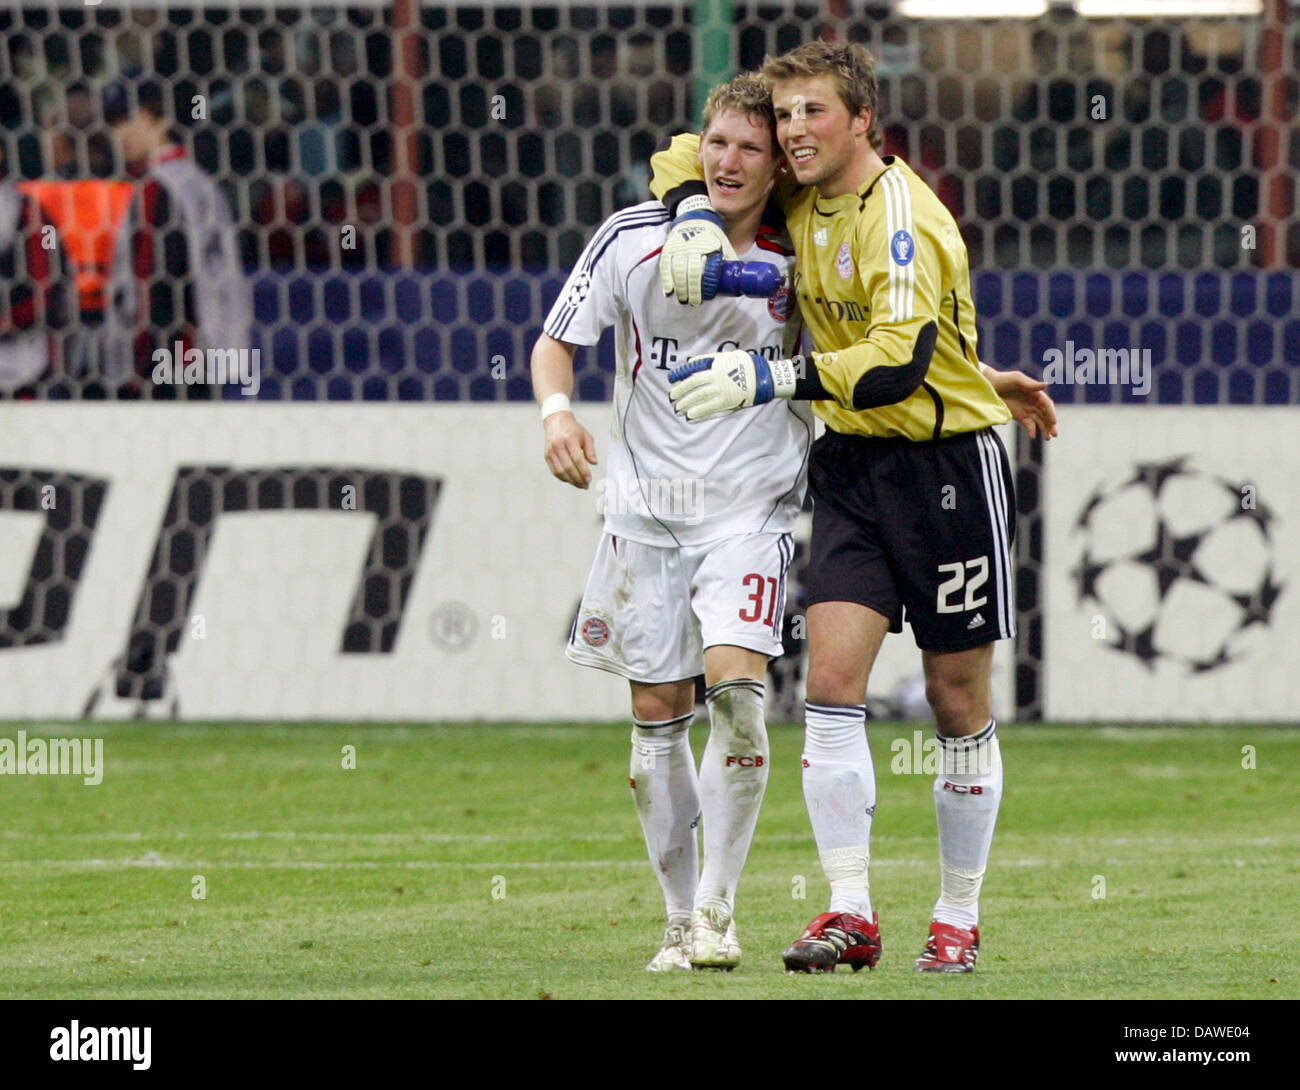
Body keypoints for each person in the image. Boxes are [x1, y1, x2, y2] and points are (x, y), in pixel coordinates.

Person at [650, 41, 1058, 974]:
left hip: (944, 469)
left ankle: (957, 914)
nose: (789, 134)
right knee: (831, 689)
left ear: (863, 120)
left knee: (958, 700)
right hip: (849, 470)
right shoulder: (801, 194)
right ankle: (850, 913)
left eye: (810, 115)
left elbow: (898, 363)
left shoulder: (904, 217)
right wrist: (690, 225)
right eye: (782, 116)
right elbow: (688, 152)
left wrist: (766, 376)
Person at [531, 74, 810, 972]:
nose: (730, 162)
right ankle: (677, 920)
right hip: (646, 512)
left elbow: (871, 341)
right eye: (718, 143)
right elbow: (555, 341)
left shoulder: (805, 248)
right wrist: (557, 415)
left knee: (735, 692)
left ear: (778, 165)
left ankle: (720, 909)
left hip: (749, 509)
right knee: (656, 717)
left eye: (751, 149)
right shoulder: (632, 235)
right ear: (698, 146)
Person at [101, 77, 251, 399]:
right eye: (112, 124)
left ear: (161, 118)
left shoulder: (162, 188)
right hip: (197, 354)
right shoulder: (196, 182)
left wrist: (145, 360)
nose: (119, 135)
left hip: (173, 359)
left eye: (128, 120)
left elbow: (162, 285)